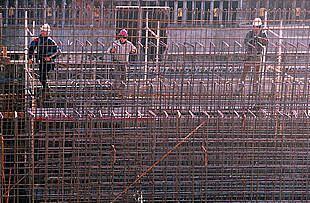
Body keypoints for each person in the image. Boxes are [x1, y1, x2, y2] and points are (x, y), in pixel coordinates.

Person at [237, 17, 268, 93]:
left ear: (260, 27)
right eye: (254, 27)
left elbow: (266, 43)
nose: (255, 28)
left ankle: (255, 88)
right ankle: (241, 86)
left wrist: (260, 39)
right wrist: (251, 42)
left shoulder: (263, 34)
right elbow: (245, 41)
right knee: (245, 71)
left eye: (257, 27)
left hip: (258, 55)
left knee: (257, 72)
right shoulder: (250, 33)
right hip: (250, 55)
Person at [28, 23, 61, 94]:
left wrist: (50, 57)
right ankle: (46, 88)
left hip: (49, 62)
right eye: (42, 31)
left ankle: (46, 89)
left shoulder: (50, 41)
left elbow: (58, 51)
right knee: (41, 77)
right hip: (41, 61)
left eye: (45, 31)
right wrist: (30, 58)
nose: (43, 32)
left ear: (47, 32)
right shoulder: (37, 40)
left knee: (43, 76)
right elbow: (31, 48)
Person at [108, 29, 137, 95]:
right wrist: (112, 50)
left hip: (124, 62)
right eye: (122, 37)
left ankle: (122, 91)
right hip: (116, 61)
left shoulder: (129, 44)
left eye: (125, 37)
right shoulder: (115, 43)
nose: (123, 39)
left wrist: (134, 51)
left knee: (124, 76)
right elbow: (108, 50)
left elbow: (134, 49)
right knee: (117, 75)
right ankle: (115, 89)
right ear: (120, 37)